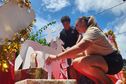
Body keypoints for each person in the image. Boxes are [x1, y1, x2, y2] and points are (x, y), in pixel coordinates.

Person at [46, 16, 123, 84]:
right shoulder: (67, 33)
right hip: (104, 61)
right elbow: (82, 53)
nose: (76, 27)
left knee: (81, 62)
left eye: (77, 25)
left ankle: (108, 82)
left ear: (83, 21)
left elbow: (80, 47)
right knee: (75, 63)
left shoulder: (92, 30)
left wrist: (56, 57)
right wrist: (65, 55)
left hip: (114, 61)